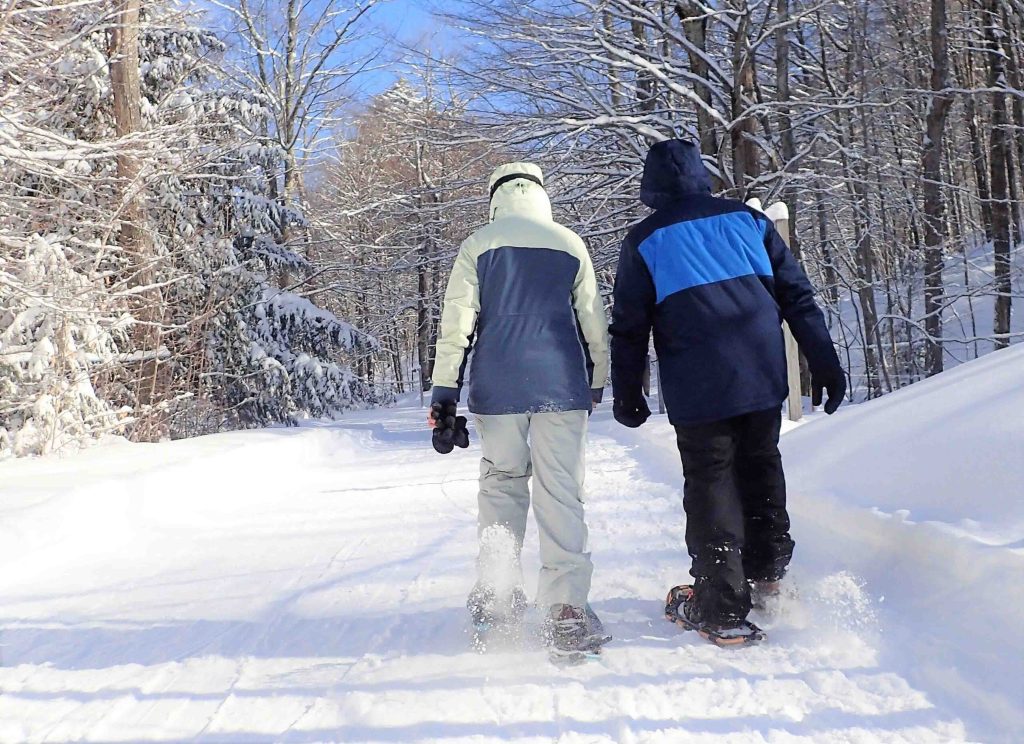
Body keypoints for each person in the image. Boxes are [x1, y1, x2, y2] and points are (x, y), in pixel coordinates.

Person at [609, 139, 846, 646]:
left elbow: (629, 326)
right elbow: (797, 297)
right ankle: (769, 580)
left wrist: (629, 391)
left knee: (711, 480)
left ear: (651, 188)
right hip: (760, 375)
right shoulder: (749, 221)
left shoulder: (645, 239)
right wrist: (822, 360)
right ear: (701, 176)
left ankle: (720, 605)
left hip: (698, 386)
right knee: (761, 465)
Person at [429, 162, 611, 658]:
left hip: (498, 385)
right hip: (562, 385)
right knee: (561, 491)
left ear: (495, 198)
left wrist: (444, 390)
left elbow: (456, 323)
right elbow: (594, 320)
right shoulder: (570, 243)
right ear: (540, 195)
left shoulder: (478, 244)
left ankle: (498, 598)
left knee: (503, 484)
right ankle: (567, 610)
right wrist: (596, 380)